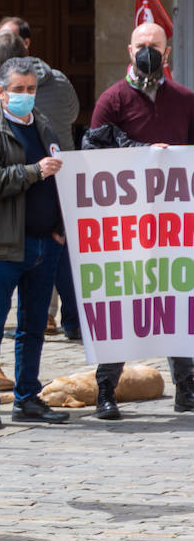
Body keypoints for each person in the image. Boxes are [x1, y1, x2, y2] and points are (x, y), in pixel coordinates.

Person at [82, 22, 194, 418]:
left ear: (167, 53)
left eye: (155, 45)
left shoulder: (184, 99)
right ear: (130, 50)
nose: (149, 51)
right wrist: (144, 152)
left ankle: (187, 387)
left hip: (174, 225)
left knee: (177, 301)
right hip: (124, 224)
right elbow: (92, 151)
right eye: (142, 45)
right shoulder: (112, 100)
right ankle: (106, 390)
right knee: (120, 303)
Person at [0, 58, 69, 430]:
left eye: (31, 89)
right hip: (2, 246)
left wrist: (59, 227)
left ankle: (27, 397)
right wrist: (34, 171)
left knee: (33, 326)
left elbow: (62, 180)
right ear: (1, 91)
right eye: (19, 90)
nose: (26, 96)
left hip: (45, 245)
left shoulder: (44, 126)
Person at [0, 22, 80, 151]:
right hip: (64, 159)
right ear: (25, 51)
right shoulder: (59, 78)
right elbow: (73, 114)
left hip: (25, 166)